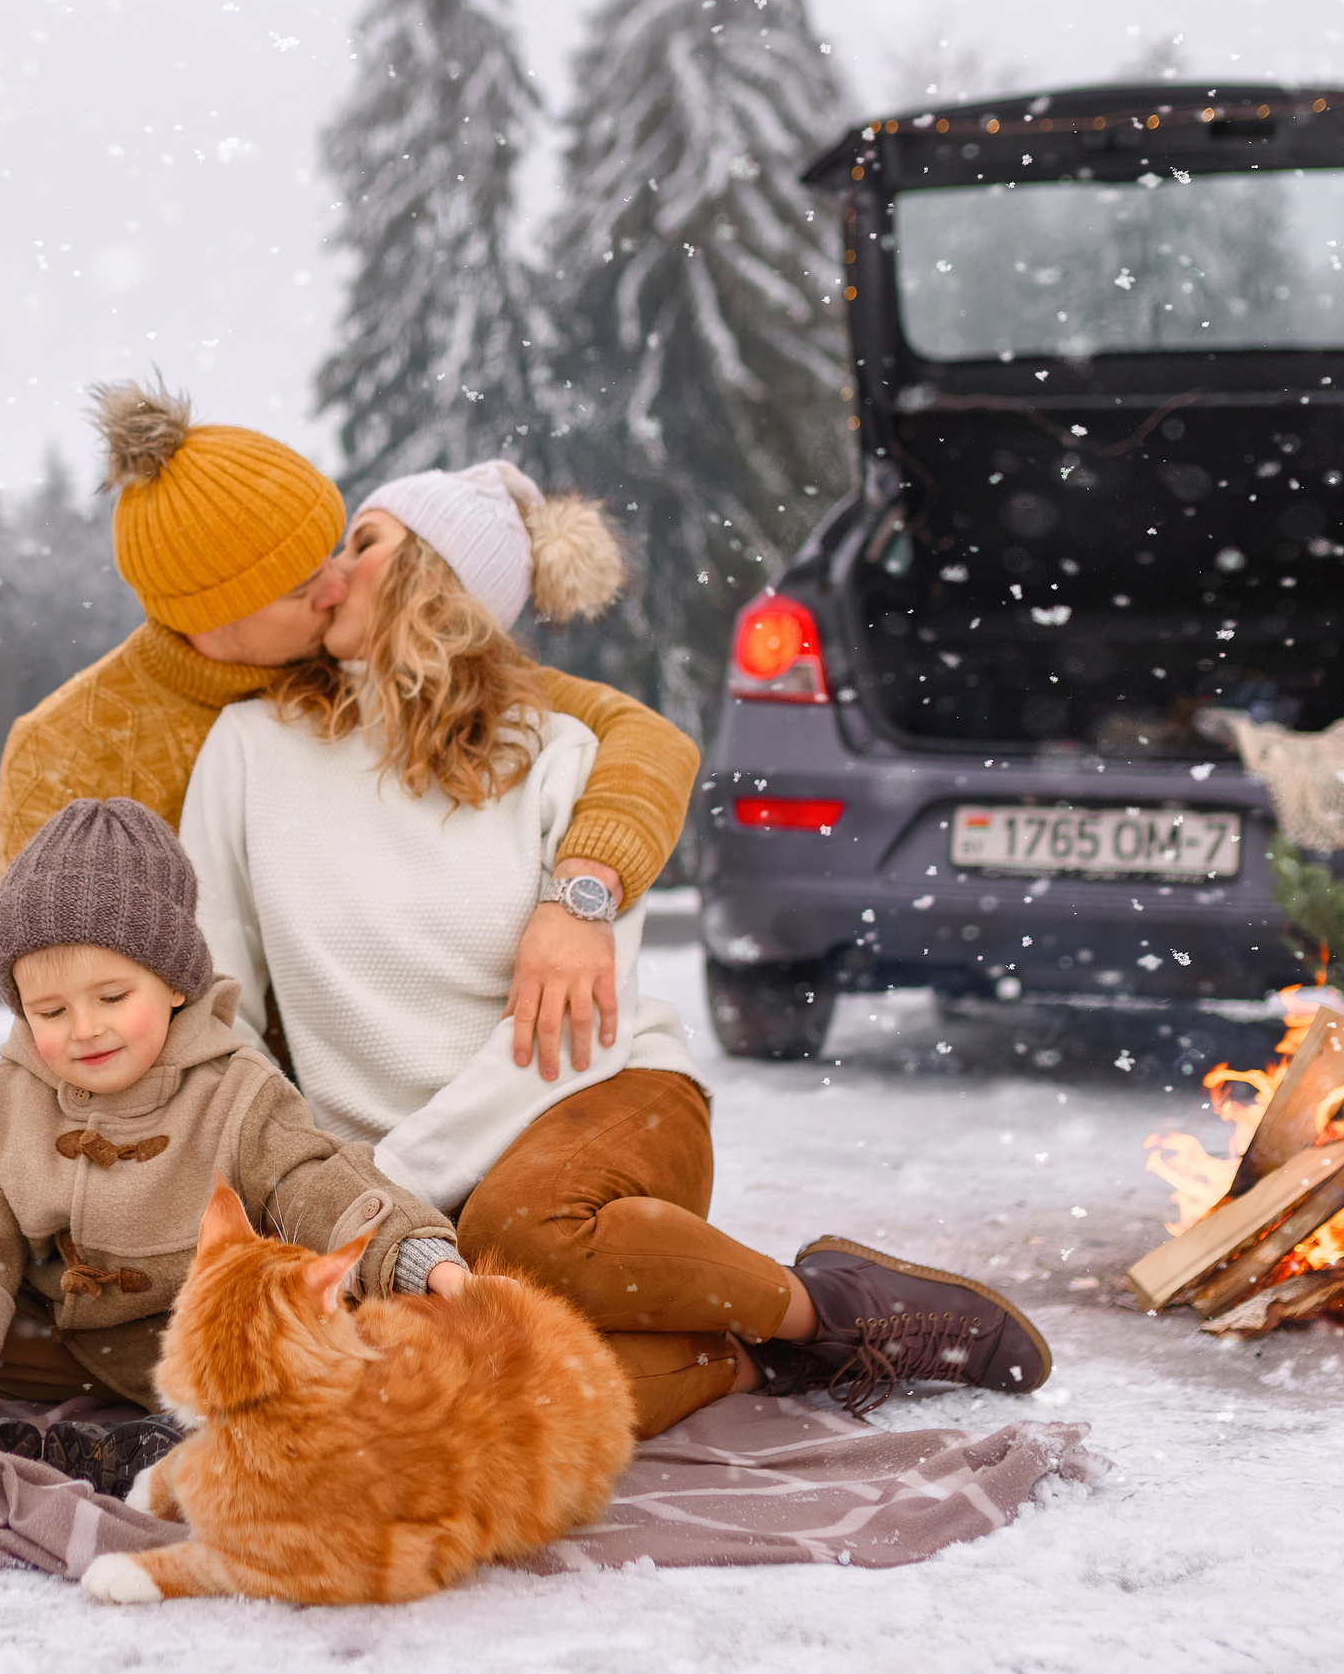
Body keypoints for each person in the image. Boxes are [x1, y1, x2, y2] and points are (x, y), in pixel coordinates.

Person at [179, 462, 1055, 1436]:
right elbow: (219, 998)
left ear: (437, 573)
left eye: (365, 540)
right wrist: (315, 1185)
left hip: (597, 1099)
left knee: (517, 1236)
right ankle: (747, 1358)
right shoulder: (247, 748)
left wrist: (377, 1195)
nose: (329, 570)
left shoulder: (559, 757)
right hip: (383, 1178)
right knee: (424, 1396)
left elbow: (571, 1037)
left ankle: (834, 1308)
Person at [0, 380, 696, 1084]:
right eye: (303, 589)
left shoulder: (355, 665)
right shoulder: (68, 746)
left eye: (332, 553)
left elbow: (645, 737)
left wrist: (581, 894)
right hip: (218, 1094)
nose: (337, 585)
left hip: (377, 1084)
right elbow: (60, 995)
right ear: (213, 617)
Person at [0, 797, 465, 1497]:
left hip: (196, 1336)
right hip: (43, 1333)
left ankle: (200, 1431)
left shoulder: (237, 1088)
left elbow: (312, 1179)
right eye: (50, 1011)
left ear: (174, 984)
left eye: (111, 997)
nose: (84, 1029)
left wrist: (413, 1254)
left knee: (351, 1333)